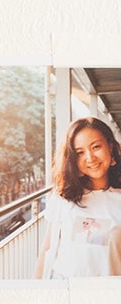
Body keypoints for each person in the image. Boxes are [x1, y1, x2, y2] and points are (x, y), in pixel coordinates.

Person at [37, 117, 121, 278]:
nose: (90, 158)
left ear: (110, 147)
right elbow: (47, 249)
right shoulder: (63, 197)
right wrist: (35, 292)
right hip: (65, 292)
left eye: (96, 147)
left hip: (109, 296)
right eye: (80, 153)